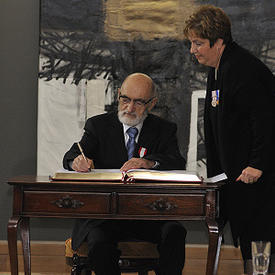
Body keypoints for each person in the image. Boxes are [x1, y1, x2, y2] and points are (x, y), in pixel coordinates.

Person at [63, 72, 187, 275]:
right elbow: (73, 153)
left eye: (138, 102)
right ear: (118, 94)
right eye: (125, 99)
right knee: (99, 241)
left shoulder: (164, 129)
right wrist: (76, 161)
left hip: (147, 215)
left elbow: (177, 162)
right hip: (105, 216)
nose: (130, 108)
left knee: (175, 231)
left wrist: (150, 162)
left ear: (152, 103)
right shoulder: (98, 126)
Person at [183, 5, 275, 274]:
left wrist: (257, 163)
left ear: (219, 40)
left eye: (198, 43)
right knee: (248, 239)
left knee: (261, 241)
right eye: (192, 43)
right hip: (237, 180)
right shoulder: (216, 69)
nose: (193, 50)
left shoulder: (245, 70)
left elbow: (266, 120)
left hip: (261, 179)